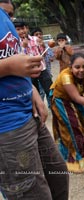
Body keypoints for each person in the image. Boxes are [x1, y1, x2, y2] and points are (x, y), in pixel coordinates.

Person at [0, 1, 69, 199]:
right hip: (7, 127)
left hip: (29, 115)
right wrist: (8, 67)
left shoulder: (5, 17)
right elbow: (8, 63)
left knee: (58, 175)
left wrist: (30, 88)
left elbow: (10, 56)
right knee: (32, 192)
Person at [14, 21, 53, 109]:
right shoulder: (15, 43)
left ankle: (55, 108)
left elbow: (44, 54)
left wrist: (43, 46)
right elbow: (18, 57)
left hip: (42, 69)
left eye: (23, 28)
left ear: (27, 28)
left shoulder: (35, 39)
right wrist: (23, 47)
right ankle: (38, 111)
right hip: (28, 72)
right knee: (33, 93)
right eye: (18, 29)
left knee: (50, 90)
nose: (22, 31)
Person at [31, 27, 54, 108]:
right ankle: (40, 107)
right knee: (40, 92)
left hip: (46, 71)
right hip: (36, 72)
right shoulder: (31, 45)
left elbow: (51, 58)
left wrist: (43, 47)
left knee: (49, 90)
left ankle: (51, 106)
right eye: (36, 34)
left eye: (40, 34)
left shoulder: (46, 45)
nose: (39, 36)